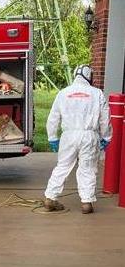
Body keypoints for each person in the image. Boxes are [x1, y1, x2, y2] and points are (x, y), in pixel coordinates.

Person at [44, 64, 112, 214]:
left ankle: (50, 198)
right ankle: (86, 202)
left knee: (62, 166)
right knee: (87, 168)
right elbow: (105, 119)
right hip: (89, 135)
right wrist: (106, 137)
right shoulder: (97, 93)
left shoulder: (63, 93)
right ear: (90, 77)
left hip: (68, 136)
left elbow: (53, 117)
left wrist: (53, 137)